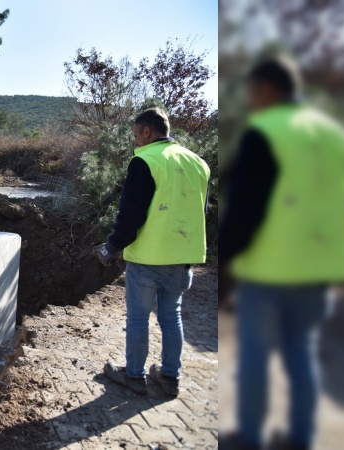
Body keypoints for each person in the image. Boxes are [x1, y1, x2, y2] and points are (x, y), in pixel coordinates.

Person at [219, 56, 344, 450]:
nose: (250, 101)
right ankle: (302, 437)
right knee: (302, 352)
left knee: (255, 360)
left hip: (270, 267)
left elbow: (248, 207)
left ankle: (249, 438)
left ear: (266, 89)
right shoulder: (338, 137)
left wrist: (228, 259)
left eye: (251, 93)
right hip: (319, 267)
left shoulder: (266, 132)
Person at [96, 107, 211, 398]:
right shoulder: (198, 163)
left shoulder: (145, 161)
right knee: (171, 317)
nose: (135, 142)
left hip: (148, 258)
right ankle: (170, 377)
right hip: (183, 258)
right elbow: (200, 210)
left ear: (147, 132)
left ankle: (134, 376)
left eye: (136, 136)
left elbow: (131, 214)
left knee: (138, 318)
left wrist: (112, 246)